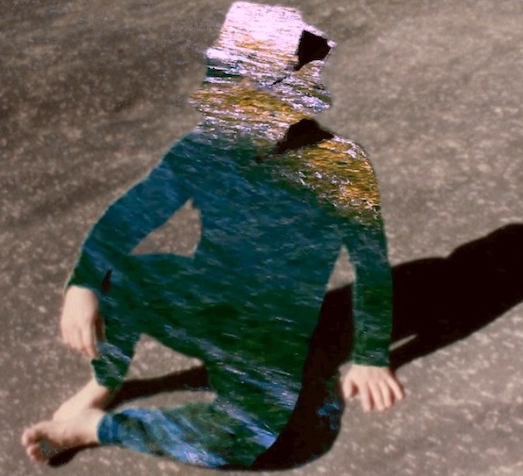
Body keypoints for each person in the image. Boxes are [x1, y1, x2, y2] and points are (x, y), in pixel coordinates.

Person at [22, 2, 404, 468]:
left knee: (256, 439)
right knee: (112, 277)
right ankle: (105, 381)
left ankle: (97, 427)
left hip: (272, 333)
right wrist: (82, 284)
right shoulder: (206, 147)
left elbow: (371, 267)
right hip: (207, 298)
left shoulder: (340, 166)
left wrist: (370, 357)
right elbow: (129, 216)